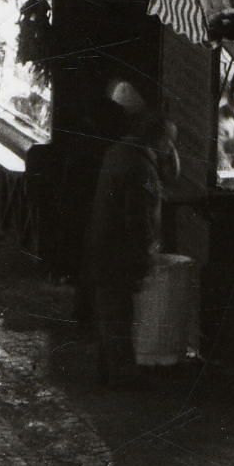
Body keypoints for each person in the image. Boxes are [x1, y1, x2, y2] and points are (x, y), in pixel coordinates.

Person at [85, 110, 177, 386]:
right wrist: (147, 250)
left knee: (109, 310)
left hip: (103, 247)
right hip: (121, 252)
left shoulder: (118, 152)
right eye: (171, 142)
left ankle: (108, 369)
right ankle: (122, 374)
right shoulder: (141, 167)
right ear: (159, 140)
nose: (172, 148)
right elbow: (138, 216)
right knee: (120, 313)